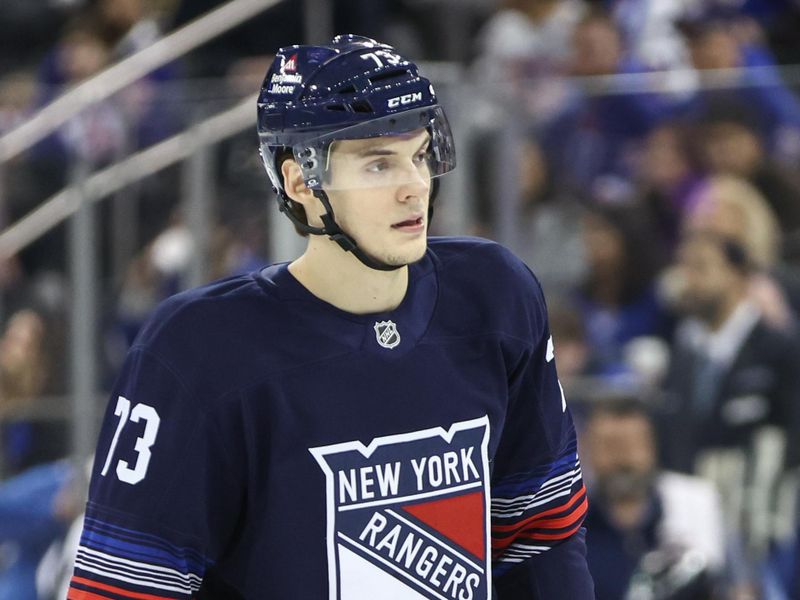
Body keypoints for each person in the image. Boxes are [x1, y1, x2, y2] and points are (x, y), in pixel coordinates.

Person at [67, 35, 594, 599]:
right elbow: (121, 592)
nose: (415, 187)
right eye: (377, 164)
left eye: (419, 155)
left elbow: (541, 535)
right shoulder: (197, 350)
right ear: (300, 181)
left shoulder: (495, 295)